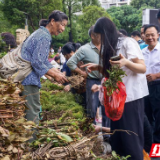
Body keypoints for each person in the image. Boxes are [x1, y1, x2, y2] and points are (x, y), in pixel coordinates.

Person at [81, 17, 149, 160]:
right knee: (118, 138)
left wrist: (126, 62)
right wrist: (99, 67)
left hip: (131, 98)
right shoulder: (110, 45)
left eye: (100, 36)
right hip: (116, 100)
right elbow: (112, 75)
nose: (98, 39)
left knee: (130, 138)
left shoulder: (127, 42)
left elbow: (142, 68)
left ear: (106, 32)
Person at [21, 10, 68, 124]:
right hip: (28, 80)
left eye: (65, 26)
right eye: (62, 25)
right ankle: (32, 141)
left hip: (25, 78)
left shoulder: (41, 33)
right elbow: (37, 62)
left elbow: (41, 60)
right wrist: (54, 75)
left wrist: (56, 73)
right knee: (32, 113)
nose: (63, 29)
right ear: (52, 21)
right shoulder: (44, 37)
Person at [67, 26, 110, 139]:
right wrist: (82, 73)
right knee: (91, 109)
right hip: (92, 81)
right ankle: (90, 135)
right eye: (100, 34)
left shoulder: (107, 47)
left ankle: (107, 135)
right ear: (93, 35)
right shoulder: (84, 49)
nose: (103, 36)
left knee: (107, 109)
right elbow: (70, 62)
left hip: (106, 81)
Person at [142, 24, 160, 143]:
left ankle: (156, 151)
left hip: (158, 87)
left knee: (158, 119)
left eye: (152, 35)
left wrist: (156, 75)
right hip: (144, 88)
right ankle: (149, 147)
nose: (150, 37)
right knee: (147, 118)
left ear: (158, 35)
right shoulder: (142, 52)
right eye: (147, 35)